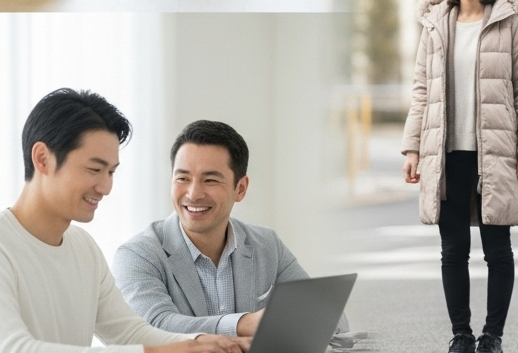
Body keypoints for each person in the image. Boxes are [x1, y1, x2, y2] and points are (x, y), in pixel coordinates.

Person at [0, 89, 248, 353]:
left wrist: (206, 344)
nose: (105, 187)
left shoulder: (83, 248)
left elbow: (129, 333)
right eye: (94, 169)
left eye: (111, 172)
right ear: (42, 158)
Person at [402, 0, 518, 353]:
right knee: (452, 249)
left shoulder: (511, 24)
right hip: (445, 153)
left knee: (497, 248)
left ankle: (492, 339)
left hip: (496, 153)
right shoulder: (435, 25)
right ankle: (461, 336)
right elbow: (422, 90)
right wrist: (412, 148)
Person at [113, 120, 349, 338]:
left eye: (211, 180)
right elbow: (153, 327)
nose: (193, 194)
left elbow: (331, 319)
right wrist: (244, 324)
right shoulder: (138, 254)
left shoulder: (267, 245)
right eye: (182, 178)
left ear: (241, 188)